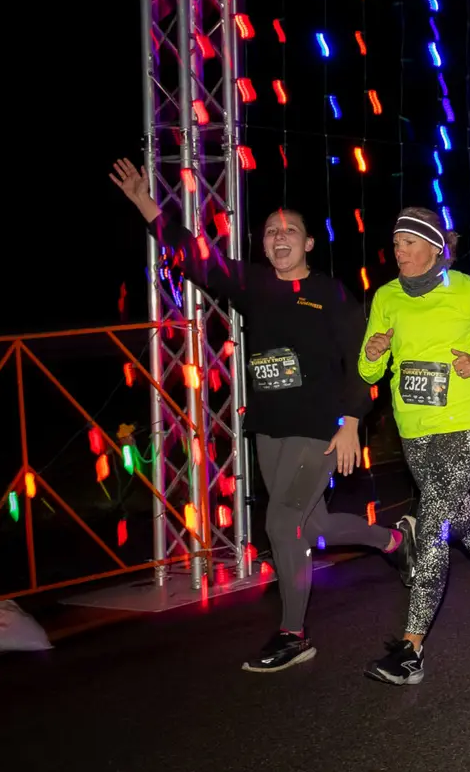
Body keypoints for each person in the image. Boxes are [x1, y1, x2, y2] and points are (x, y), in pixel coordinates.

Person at [109, 159, 408, 674]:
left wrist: (353, 423)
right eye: (271, 232)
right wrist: (143, 202)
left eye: (291, 230)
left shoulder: (331, 294)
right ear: (264, 244)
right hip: (270, 429)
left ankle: (294, 633)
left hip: (322, 429)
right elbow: (194, 251)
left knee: (283, 520)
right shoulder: (251, 284)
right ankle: (396, 540)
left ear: (309, 243)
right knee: (315, 525)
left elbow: (364, 361)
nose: (280, 237)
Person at [358, 207, 470, 686]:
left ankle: (411, 648)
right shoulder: (386, 298)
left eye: (409, 244)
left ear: (436, 248)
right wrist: (373, 354)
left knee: (435, 525)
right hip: (413, 428)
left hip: (465, 424)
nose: (399, 252)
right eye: (396, 244)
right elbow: (368, 371)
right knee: (458, 515)